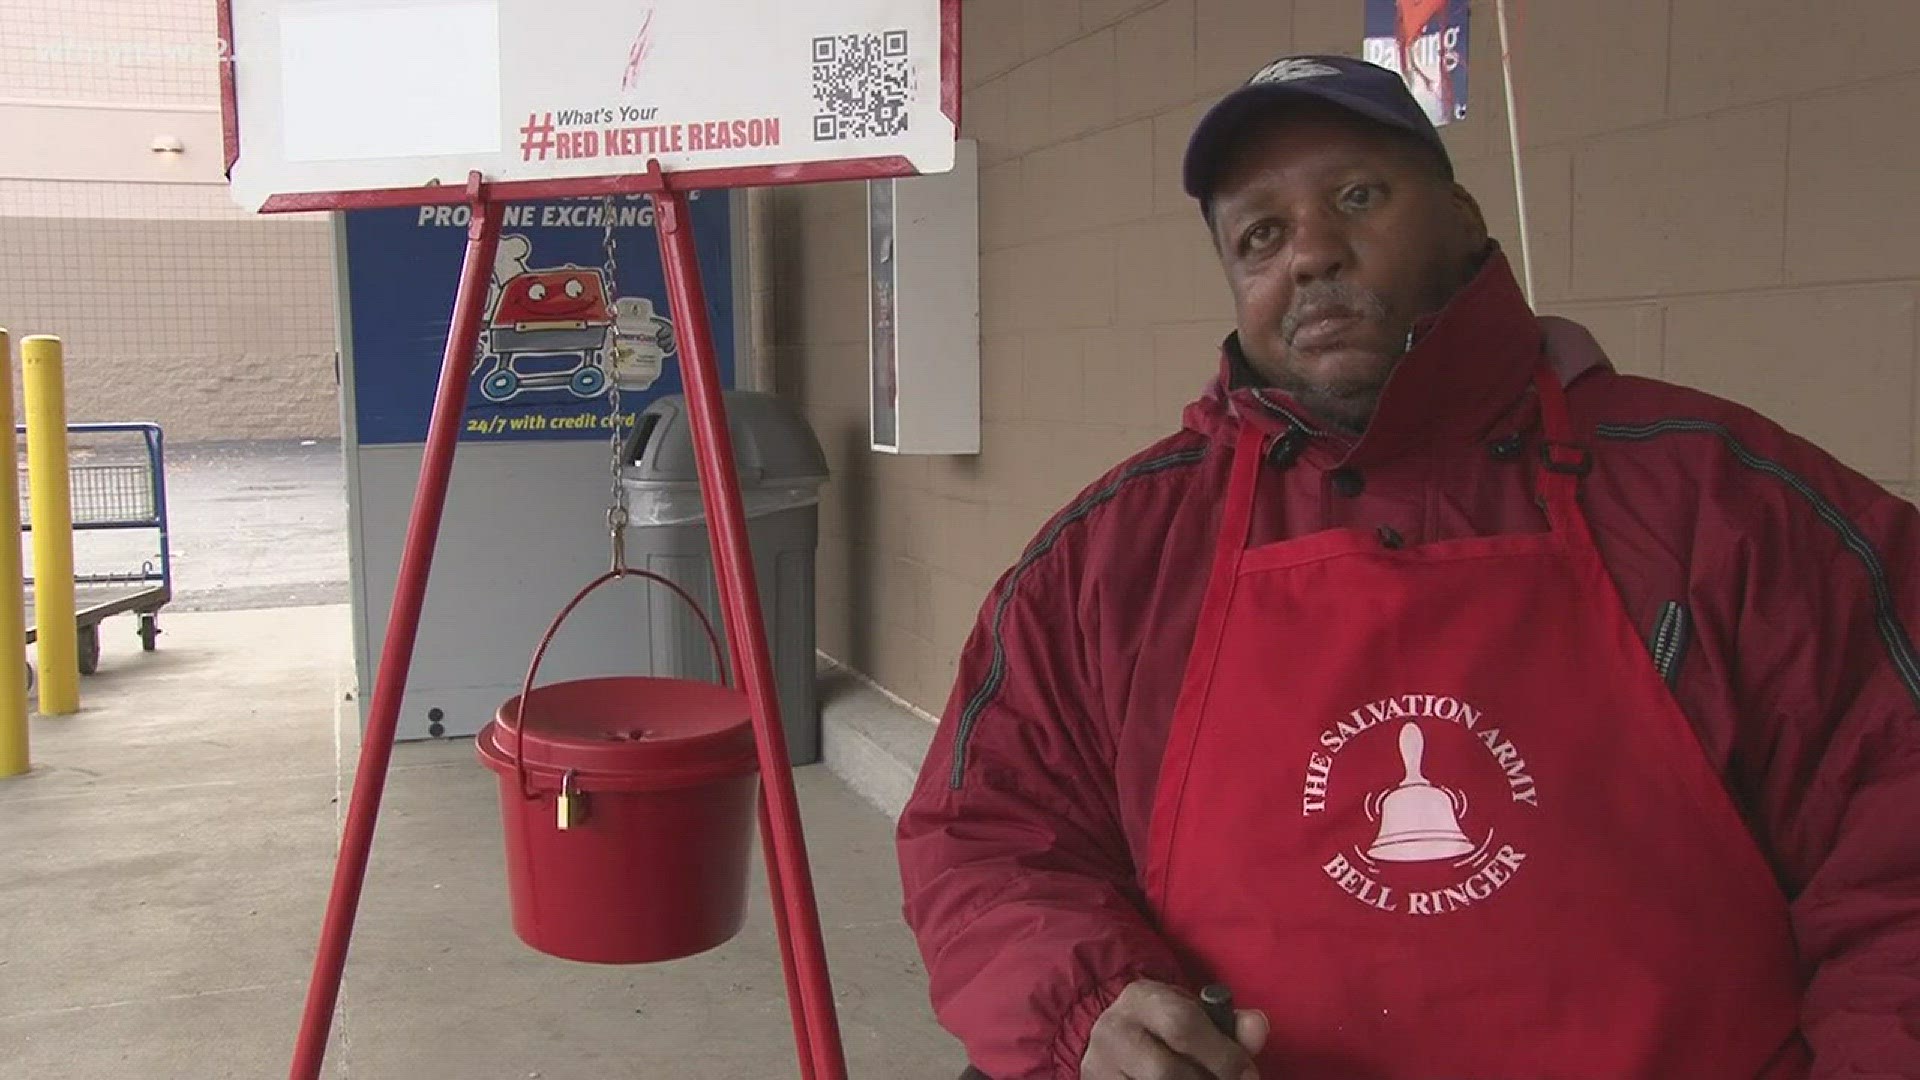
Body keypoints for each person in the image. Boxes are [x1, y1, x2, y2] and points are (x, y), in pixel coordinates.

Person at [897, 54, 1920, 1080]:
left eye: (1356, 196)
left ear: (1465, 217)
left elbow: (1896, 852)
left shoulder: (1722, 503)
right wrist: (1089, 1010)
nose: (1312, 254)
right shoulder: (1109, 560)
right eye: (1262, 236)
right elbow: (984, 833)